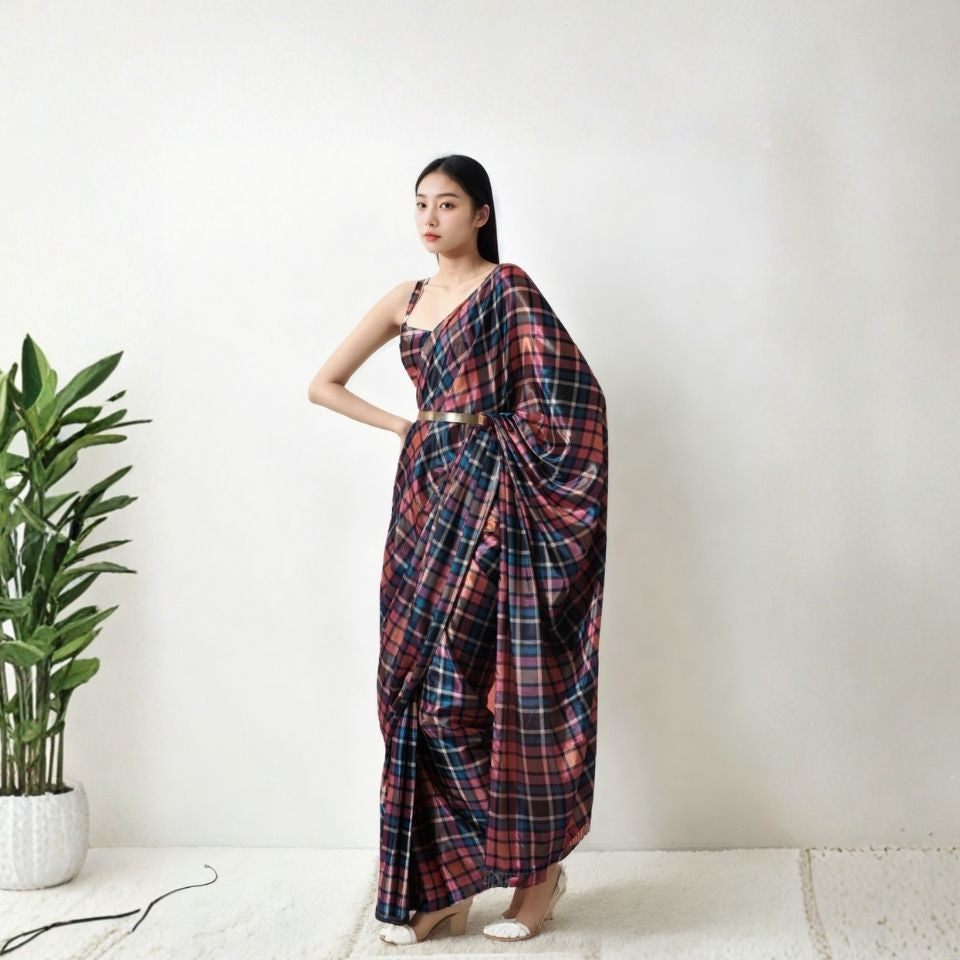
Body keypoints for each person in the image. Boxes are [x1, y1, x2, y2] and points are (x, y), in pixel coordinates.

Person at [308, 155, 608, 945]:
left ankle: (537, 878)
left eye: (447, 204)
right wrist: (406, 427)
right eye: (421, 205)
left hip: (496, 500)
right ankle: (445, 888)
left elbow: (579, 398)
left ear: (481, 213)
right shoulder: (403, 300)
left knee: (487, 688)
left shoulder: (508, 290)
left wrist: (505, 449)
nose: (430, 218)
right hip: (423, 499)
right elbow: (323, 383)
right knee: (417, 692)